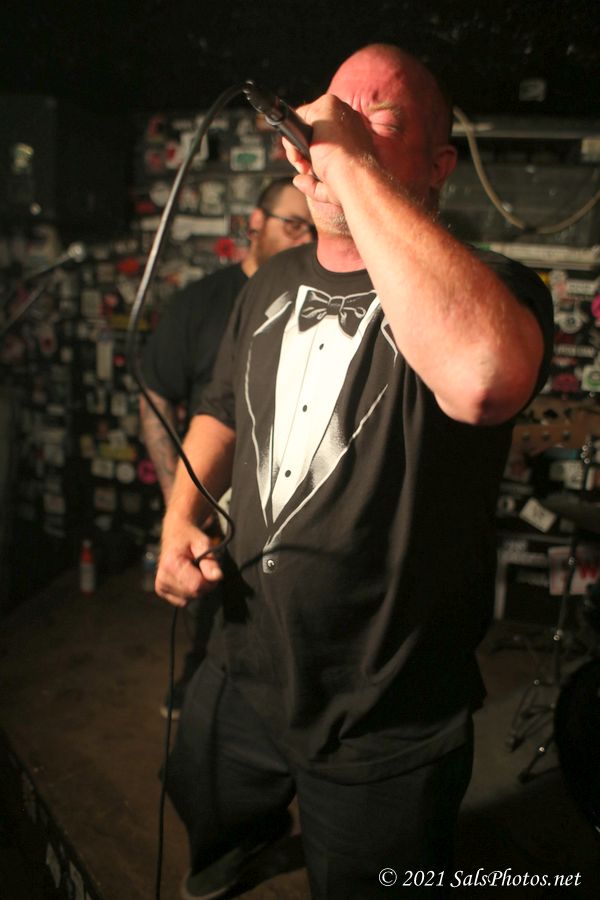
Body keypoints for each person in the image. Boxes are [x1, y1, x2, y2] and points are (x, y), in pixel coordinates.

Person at [155, 44, 554, 900]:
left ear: (438, 165)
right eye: (334, 110)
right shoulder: (269, 283)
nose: (340, 128)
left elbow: (484, 378)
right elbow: (221, 408)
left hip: (386, 708)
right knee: (207, 805)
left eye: (381, 118)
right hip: (243, 655)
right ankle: (239, 852)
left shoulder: (493, 288)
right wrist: (180, 514)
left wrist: (347, 159)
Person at [140, 176, 314, 716]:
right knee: (210, 610)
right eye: (294, 225)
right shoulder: (202, 302)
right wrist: (180, 501)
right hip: (217, 487)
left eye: (314, 228)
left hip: (290, 493)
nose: (306, 239)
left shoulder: (321, 300)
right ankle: (199, 680)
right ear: (255, 224)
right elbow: (156, 393)